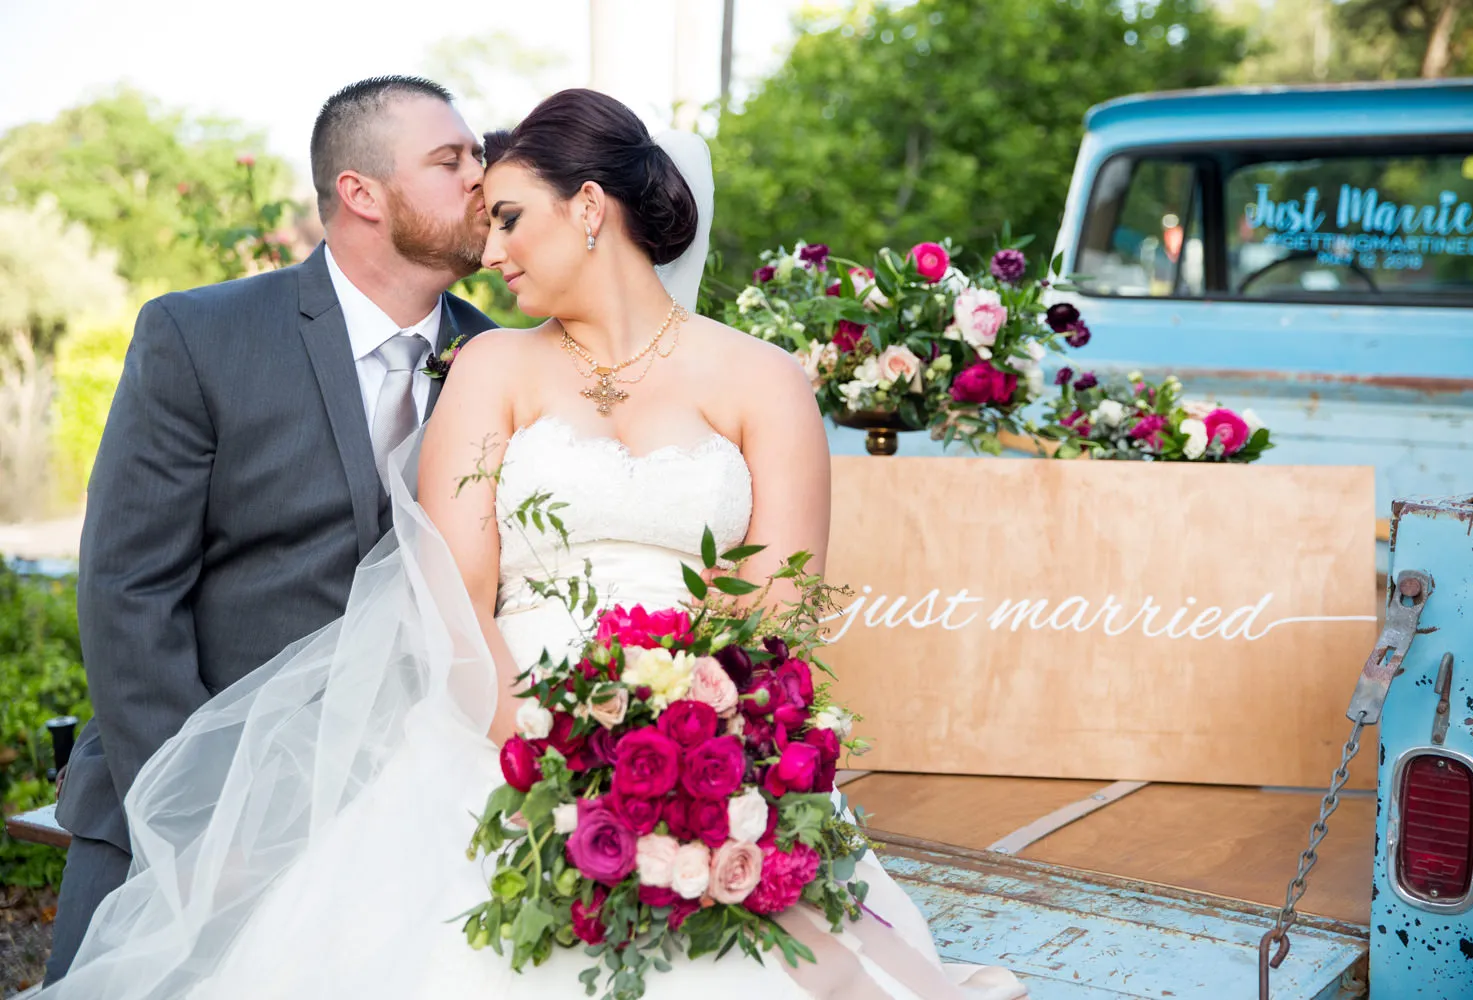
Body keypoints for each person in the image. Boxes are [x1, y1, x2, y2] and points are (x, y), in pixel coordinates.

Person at [41, 88, 1027, 1000]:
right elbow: (446, 597)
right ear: (361, 190)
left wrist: (685, 755)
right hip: (468, 736)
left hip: (703, 741)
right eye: (464, 181)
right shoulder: (479, 364)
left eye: (508, 210)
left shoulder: (759, 380)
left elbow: (773, 613)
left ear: (590, 207)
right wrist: (562, 767)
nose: (489, 226)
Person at [45, 74, 495, 985]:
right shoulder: (199, 335)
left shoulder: (495, 360)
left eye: (479, 157)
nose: (483, 180)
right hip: (185, 798)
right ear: (359, 193)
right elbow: (128, 591)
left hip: (400, 828)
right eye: (451, 160)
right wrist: (202, 824)